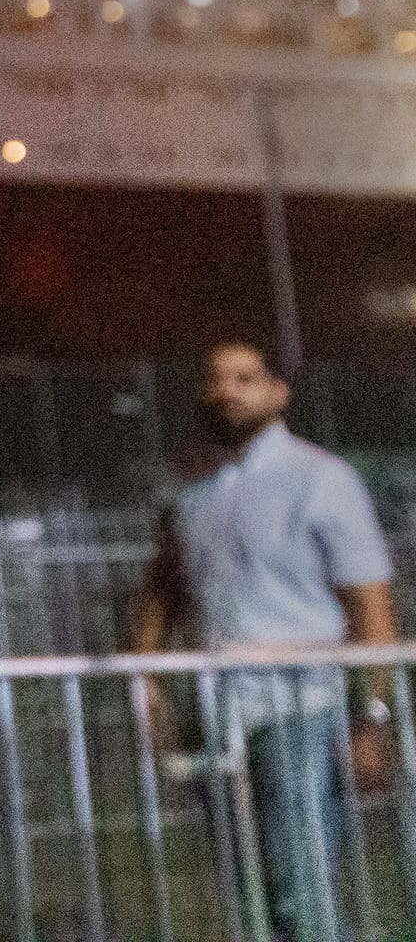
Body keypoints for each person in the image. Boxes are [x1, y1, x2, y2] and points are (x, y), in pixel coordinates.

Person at [134, 339, 399, 942]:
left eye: (245, 378)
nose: (227, 390)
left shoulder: (321, 479)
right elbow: (162, 589)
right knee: (251, 893)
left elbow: (371, 605)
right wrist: (145, 681)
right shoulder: (192, 490)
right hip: (218, 712)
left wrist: (372, 716)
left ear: (279, 393)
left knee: (300, 891)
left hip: (301, 708)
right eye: (216, 379)